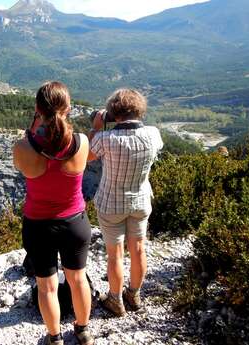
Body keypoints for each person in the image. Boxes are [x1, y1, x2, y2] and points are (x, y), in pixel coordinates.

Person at [13, 81, 94, 345]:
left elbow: (25, 166)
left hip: (38, 226)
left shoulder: (23, 147)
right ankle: (83, 332)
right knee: (77, 279)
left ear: (37, 109)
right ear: (68, 109)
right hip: (75, 222)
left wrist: (31, 131)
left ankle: (55, 337)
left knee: (47, 286)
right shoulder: (82, 143)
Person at [88, 88, 163, 317]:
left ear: (113, 113)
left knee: (116, 255)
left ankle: (115, 300)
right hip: (140, 201)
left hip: (111, 203)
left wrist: (96, 127)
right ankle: (134, 294)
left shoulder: (104, 139)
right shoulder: (153, 134)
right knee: (139, 250)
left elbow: (86, 156)